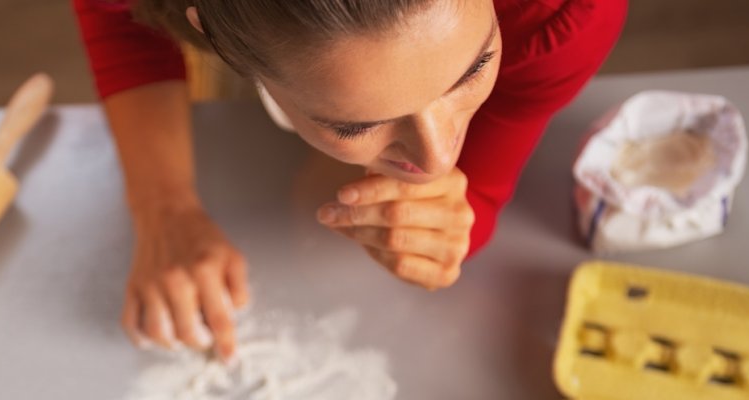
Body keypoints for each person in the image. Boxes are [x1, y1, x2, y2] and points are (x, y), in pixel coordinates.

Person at [72, 0, 627, 359]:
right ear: (220, 38)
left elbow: (470, 194)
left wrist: (457, 218)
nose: (436, 160)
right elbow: (120, 18)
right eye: (358, 123)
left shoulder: (568, 13)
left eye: (475, 67)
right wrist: (162, 205)